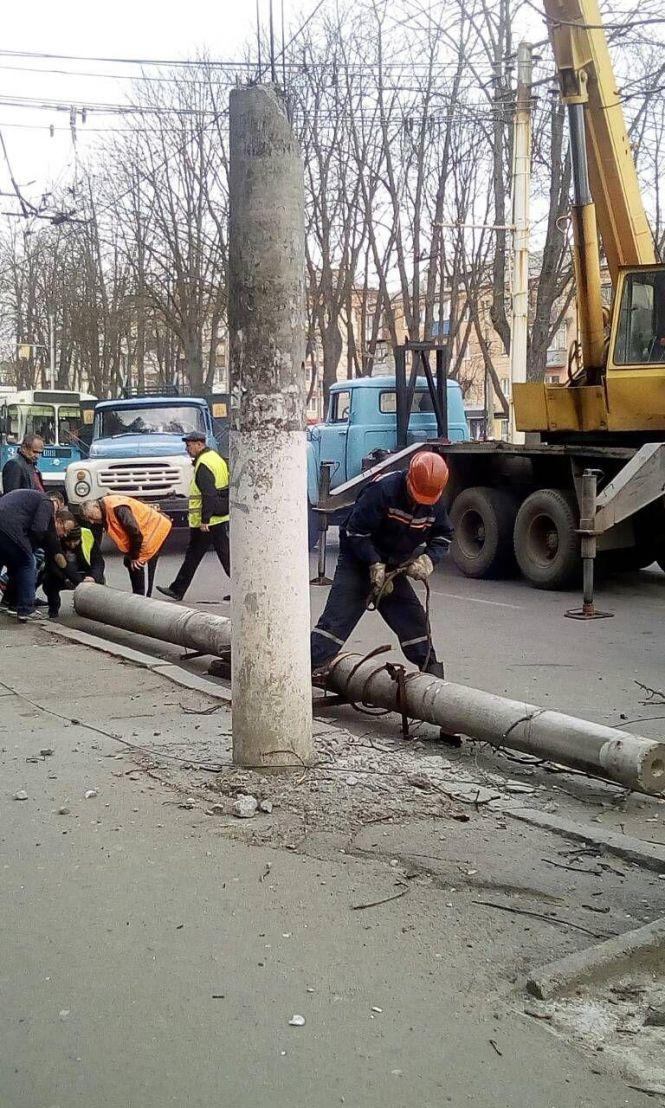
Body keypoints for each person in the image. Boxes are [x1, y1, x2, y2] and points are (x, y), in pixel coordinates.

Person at [311, 451, 453, 677]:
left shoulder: (433, 500)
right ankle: (300, 674)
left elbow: (444, 535)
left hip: (394, 567)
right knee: (335, 625)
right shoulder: (382, 491)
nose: (419, 502)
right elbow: (355, 531)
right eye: (416, 495)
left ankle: (434, 680)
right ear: (409, 479)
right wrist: (373, 564)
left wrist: (428, 559)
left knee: (414, 623)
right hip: (357, 561)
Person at [157, 431, 230, 602]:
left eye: (189, 445)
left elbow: (208, 493)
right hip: (217, 516)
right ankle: (177, 589)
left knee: (198, 555)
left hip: (208, 521)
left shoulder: (204, 463)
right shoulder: (215, 458)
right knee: (218, 555)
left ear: (199, 444)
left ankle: (177, 589)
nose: (187, 449)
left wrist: (205, 519)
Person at [0, 488, 69, 622]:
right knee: (27, 563)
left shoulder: (29, 499)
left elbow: (50, 537)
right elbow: (39, 528)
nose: (55, 514)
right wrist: (31, 548)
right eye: (58, 509)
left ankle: (11, 603)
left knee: (13, 562)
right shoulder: (46, 502)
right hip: (10, 528)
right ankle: (26, 609)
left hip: (4, 525)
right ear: (55, 501)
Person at [80, 495, 171, 596]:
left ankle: (143, 599)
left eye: (91, 517)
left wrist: (135, 556)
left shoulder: (117, 508)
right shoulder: (105, 508)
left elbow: (135, 532)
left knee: (138, 565)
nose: (92, 521)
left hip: (152, 532)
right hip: (145, 533)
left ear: (96, 507)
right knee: (129, 562)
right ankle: (138, 596)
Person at [41, 510, 105, 618]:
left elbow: (98, 562)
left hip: (85, 574)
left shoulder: (87, 537)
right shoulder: (57, 541)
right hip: (63, 575)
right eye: (68, 542)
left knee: (100, 579)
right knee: (48, 580)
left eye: (75, 542)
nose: (72, 545)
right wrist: (66, 578)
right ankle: (53, 610)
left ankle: (92, 609)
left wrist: (93, 577)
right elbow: (51, 565)